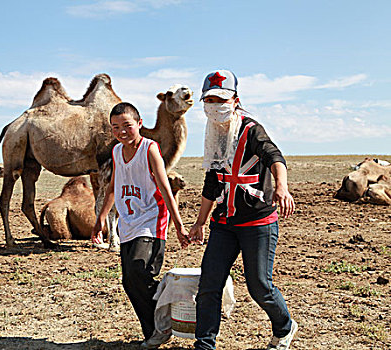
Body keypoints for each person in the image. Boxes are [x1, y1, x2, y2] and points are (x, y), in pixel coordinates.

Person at [189, 70, 298, 350]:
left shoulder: (251, 129)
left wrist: (281, 188)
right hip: (224, 223)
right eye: (209, 100)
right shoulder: (213, 135)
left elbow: (275, 157)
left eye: (221, 99)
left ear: (235, 101)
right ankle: (204, 345)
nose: (215, 105)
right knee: (209, 285)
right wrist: (200, 222)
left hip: (257, 222)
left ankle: (285, 326)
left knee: (259, 286)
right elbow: (212, 182)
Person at [92, 102, 190, 349]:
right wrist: (101, 218)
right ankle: (154, 331)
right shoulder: (116, 152)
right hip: (127, 222)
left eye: (127, 126)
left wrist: (178, 224)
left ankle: (165, 316)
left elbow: (165, 186)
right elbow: (113, 186)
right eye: (115, 127)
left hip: (151, 220)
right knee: (129, 281)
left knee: (138, 270)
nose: (122, 132)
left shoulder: (150, 149)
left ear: (139, 124)